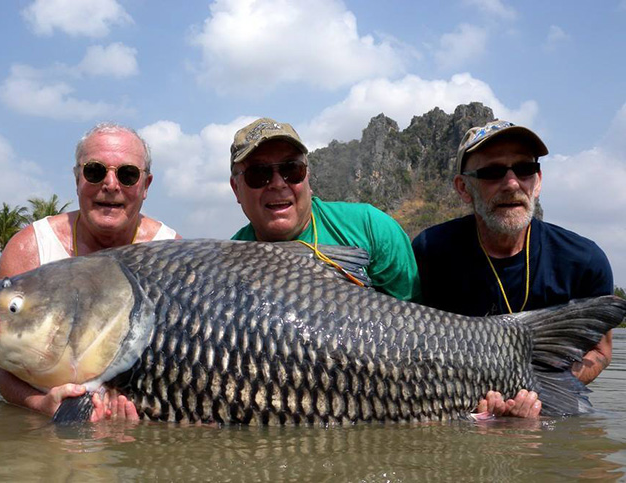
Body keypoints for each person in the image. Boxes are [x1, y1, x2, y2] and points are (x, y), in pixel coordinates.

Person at [412, 119, 614, 416]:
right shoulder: (431, 251)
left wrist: (539, 395)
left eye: (524, 169)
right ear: (463, 188)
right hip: (461, 407)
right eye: (492, 172)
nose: (511, 183)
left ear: (538, 181)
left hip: (549, 408)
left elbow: (600, 351)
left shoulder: (583, 261)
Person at [0, 122, 180, 421]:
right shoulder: (30, 250)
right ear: (77, 177)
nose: (111, 184)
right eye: (95, 171)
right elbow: (2, 363)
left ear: (146, 186)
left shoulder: (171, 253)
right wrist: (39, 407)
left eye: (127, 174)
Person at [229, 117, 421, 301]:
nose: (278, 184)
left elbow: (415, 318)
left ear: (308, 178)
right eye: (258, 173)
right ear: (236, 188)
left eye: (292, 169)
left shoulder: (372, 227)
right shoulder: (228, 265)